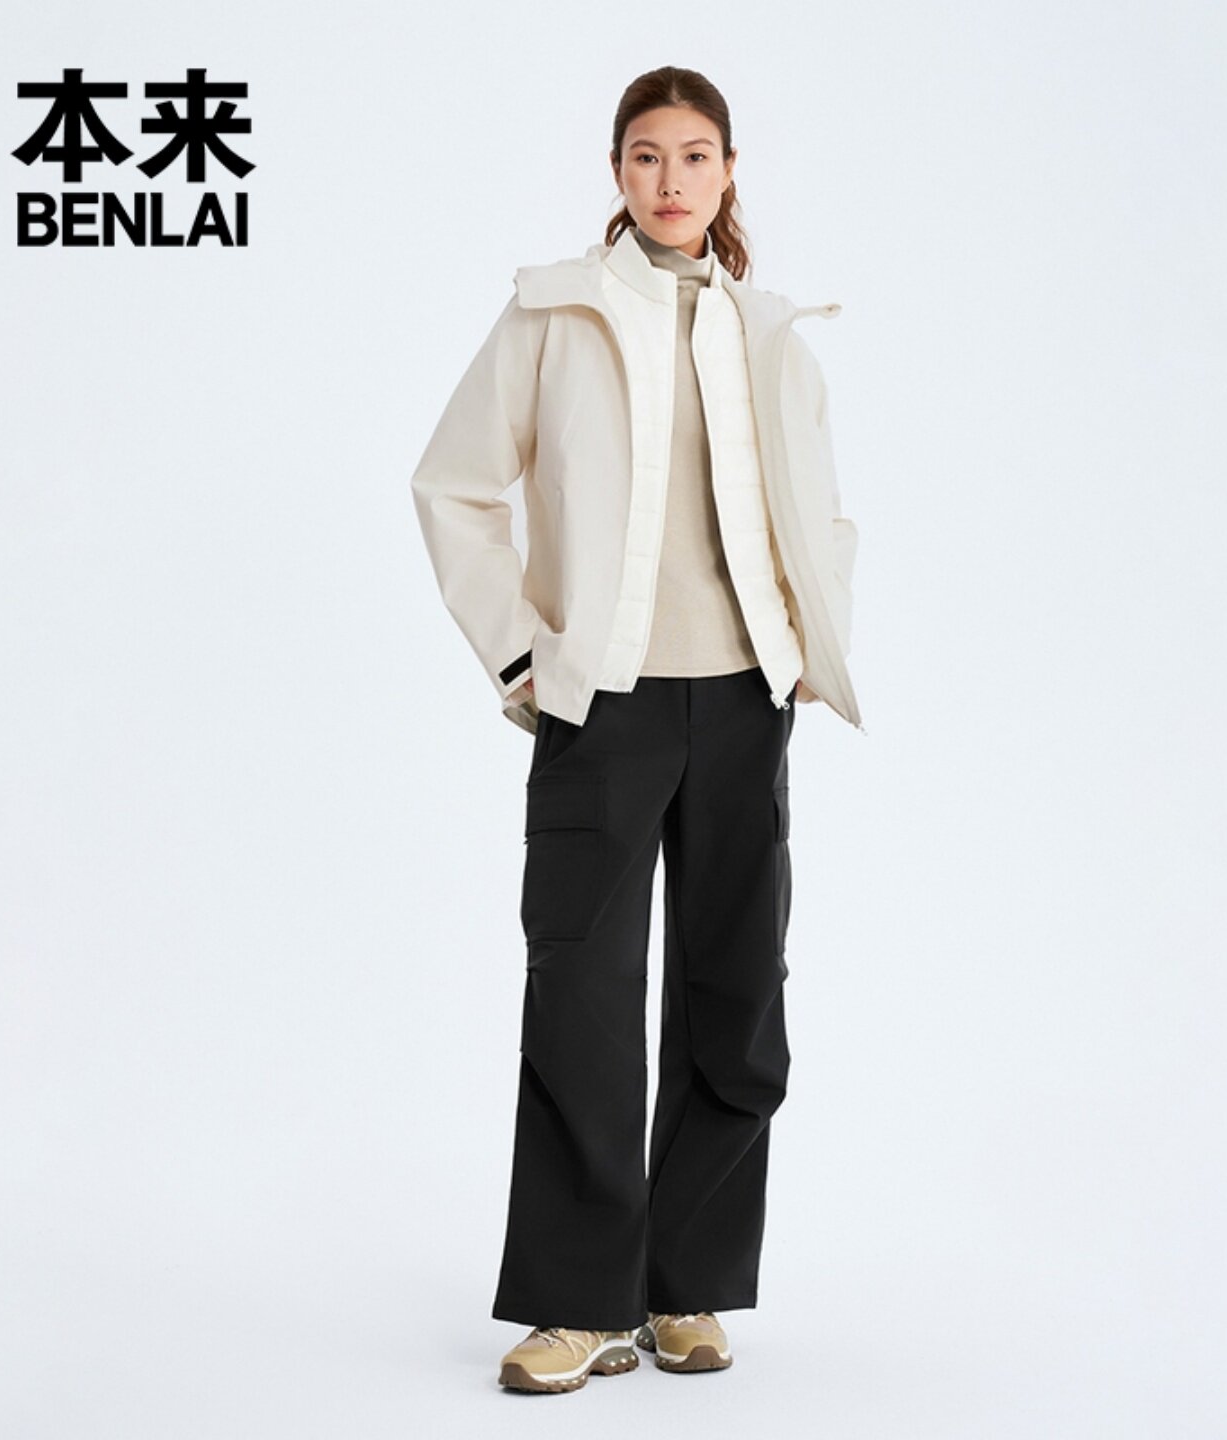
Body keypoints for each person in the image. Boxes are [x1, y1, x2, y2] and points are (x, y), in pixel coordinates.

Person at [408, 64, 864, 1395]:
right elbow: (452, 487)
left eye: (697, 156)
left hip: (744, 702)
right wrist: (523, 655)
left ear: (729, 173)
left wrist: (803, 644)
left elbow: (823, 510)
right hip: (600, 704)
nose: (672, 180)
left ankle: (684, 1289)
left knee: (736, 998)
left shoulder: (770, 333)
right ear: (617, 170)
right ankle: (577, 1304)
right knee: (583, 1001)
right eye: (648, 156)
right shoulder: (553, 314)